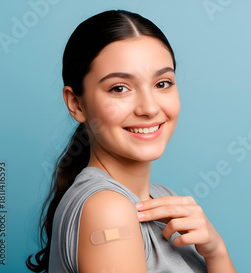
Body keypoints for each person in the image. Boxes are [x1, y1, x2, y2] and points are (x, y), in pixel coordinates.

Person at [26, 9, 236, 273]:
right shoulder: (108, 211)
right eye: (119, 88)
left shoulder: (163, 198)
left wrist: (216, 252)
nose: (149, 108)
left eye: (162, 83)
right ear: (76, 104)